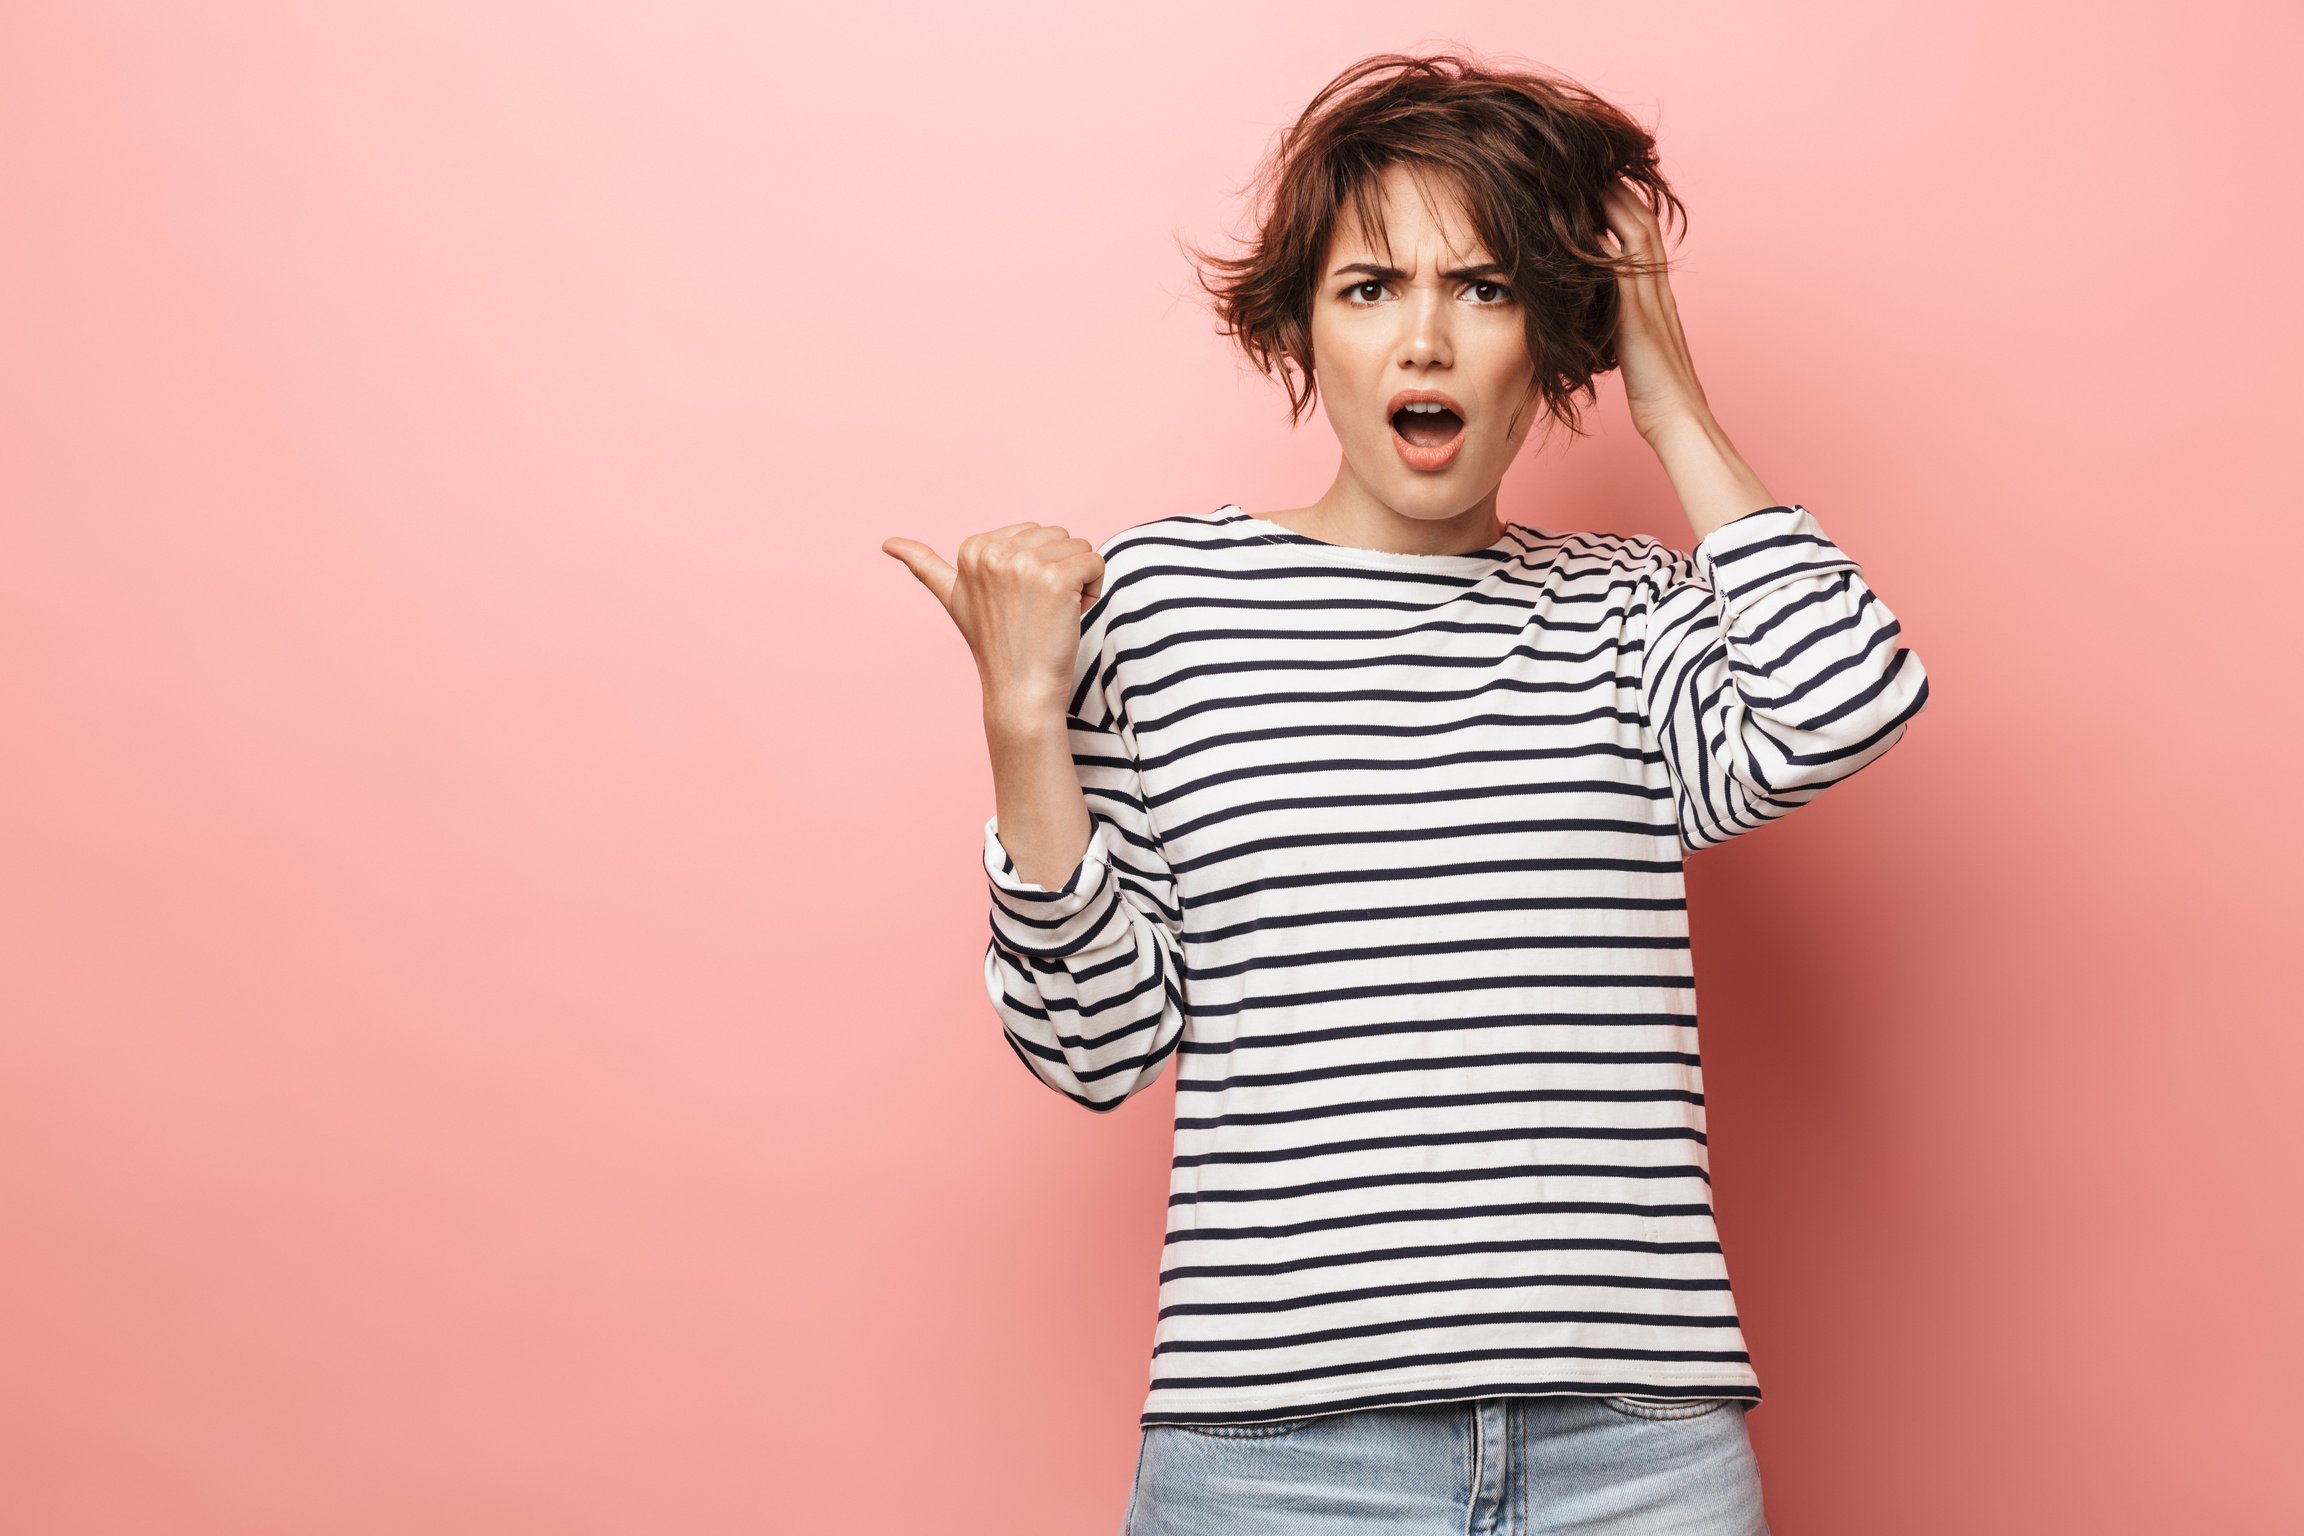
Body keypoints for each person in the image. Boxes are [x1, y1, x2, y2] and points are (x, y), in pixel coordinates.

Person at [884, 47, 1929, 1536]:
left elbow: (1847, 700)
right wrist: (1020, 723)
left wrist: (1671, 395)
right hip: (1276, 1458)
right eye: (1371, 289)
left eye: (1487, 289)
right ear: (1304, 328)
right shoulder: (1170, 607)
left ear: (1555, 337)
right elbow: (1095, 1044)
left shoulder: (1630, 617)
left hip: (1634, 1458)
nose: (1424, 342)